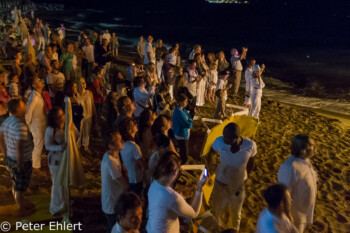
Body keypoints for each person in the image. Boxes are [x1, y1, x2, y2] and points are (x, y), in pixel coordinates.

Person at [210, 123, 257, 231]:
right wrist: (212, 166)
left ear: (235, 138)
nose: (223, 138)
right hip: (221, 182)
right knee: (217, 210)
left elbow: (251, 160)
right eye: (223, 135)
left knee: (236, 212)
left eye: (226, 137)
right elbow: (212, 152)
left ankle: (234, 230)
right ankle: (217, 229)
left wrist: (246, 176)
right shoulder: (220, 141)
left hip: (238, 185)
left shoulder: (250, 145)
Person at [146, 151, 206, 233]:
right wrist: (199, 188)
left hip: (151, 229)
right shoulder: (172, 197)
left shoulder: (154, 184)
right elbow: (194, 213)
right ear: (175, 172)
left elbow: (164, 204)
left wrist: (179, 199)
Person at [0, 98, 35, 217]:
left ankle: (23, 203)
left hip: (10, 158)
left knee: (16, 182)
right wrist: (20, 163)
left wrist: (5, 153)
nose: (25, 106)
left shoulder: (7, 121)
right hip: (21, 160)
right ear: (18, 109)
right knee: (20, 186)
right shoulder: (20, 125)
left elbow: (1, 138)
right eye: (23, 105)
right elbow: (19, 147)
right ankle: (21, 209)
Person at [278, 135, 317, 233]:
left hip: (303, 214)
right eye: (312, 145)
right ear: (302, 149)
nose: (315, 148)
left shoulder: (306, 161)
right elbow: (283, 193)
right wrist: (288, 216)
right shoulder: (290, 167)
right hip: (294, 217)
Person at [101, 130, 129, 233]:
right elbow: (124, 185)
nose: (122, 141)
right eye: (118, 140)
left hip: (113, 201)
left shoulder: (114, 155)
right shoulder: (110, 163)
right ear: (111, 146)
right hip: (112, 206)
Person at [45, 107, 68, 217]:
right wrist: (60, 147)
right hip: (55, 162)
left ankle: (63, 203)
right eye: (58, 117)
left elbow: (77, 137)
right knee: (57, 184)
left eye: (62, 115)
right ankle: (55, 208)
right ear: (53, 119)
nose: (61, 118)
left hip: (65, 159)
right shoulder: (50, 130)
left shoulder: (67, 125)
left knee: (64, 183)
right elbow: (47, 145)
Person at [25, 77, 47, 173]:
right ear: (34, 85)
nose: (40, 81)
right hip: (36, 126)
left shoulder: (38, 95)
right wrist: (28, 127)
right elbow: (28, 113)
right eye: (37, 80)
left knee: (38, 145)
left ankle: (35, 163)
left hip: (40, 125)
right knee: (37, 145)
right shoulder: (34, 97)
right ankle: (36, 166)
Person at [119, 117, 144, 196]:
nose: (136, 125)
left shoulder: (122, 144)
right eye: (133, 124)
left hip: (128, 178)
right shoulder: (134, 146)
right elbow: (143, 165)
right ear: (129, 130)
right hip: (137, 179)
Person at [172, 94, 193, 164]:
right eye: (185, 101)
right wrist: (191, 120)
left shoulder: (182, 109)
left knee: (182, 152)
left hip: (183, 133)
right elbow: (188, 124)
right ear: (180, 102)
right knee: (185, 156)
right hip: (181, 135)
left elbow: (189, 117)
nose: (187, 103)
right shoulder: (179, 112)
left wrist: (190, 120)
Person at [77, 77, 96, 154]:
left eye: (84, 82)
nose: (84, 84)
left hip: (88, 115)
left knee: (87, 131)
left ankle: (86, 146)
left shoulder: (89, 93)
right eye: (81, 82)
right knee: (79, 131)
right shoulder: (76, 94)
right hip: (80, 116)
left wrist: (95, 115)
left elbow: (93, 105)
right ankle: (77, 147)